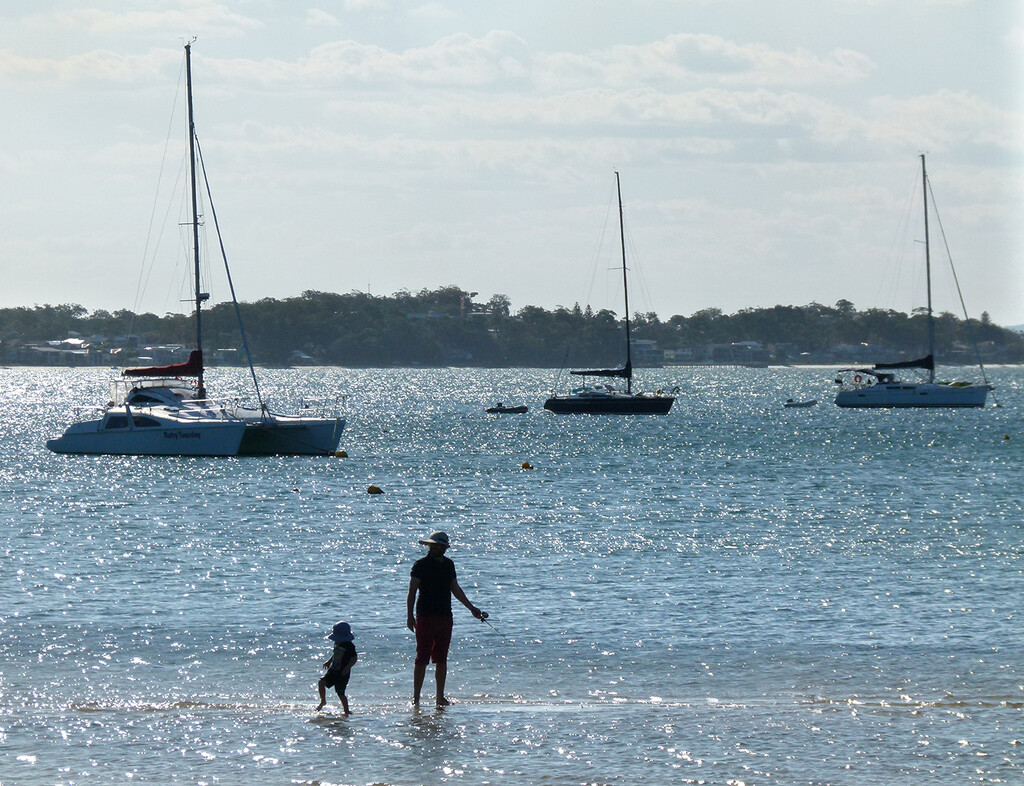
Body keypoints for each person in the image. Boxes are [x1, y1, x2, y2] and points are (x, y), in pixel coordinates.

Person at [407, 531, 485, 707]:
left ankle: (439, 697)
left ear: (444, 547)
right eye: (434, 545)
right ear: (429, 546)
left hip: (445, 616)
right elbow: (412, 592)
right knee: (422, 658)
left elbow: (455, 589)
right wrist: (409, 615)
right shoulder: (421, 565)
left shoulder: (449, 564)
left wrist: (472, 608)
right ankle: (416, 699)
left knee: (441, 659)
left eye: (440, 546)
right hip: (425, 615)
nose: (437, 548)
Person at [317, 621, 357, 714]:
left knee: (340, 693)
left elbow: (354, 658)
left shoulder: (349, 646)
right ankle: (323, 701)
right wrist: (329, 661)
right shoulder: (337, 643)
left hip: (343, 672)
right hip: (333, 669)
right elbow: (335, 654)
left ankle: (346, 710)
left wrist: (347, 668)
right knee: (321, 683)